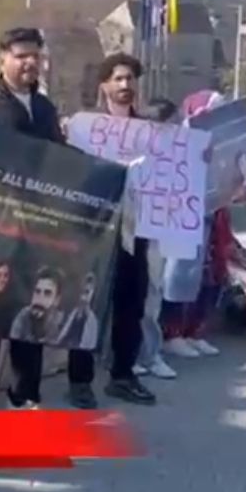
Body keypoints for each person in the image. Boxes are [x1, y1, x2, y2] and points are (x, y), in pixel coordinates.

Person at [0, 28, 96, 410]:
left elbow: (58, 158)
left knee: (32, 312)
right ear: (3, 60)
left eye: (35, 55)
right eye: (21, 56)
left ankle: (25, 395)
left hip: (37, 227)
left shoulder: (46, 108)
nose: (30, 62)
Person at [94, 53, 156, 405]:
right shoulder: (88, 126)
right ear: (104, 85)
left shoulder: (151, 132)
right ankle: (81, 378)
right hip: (98, 229)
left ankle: (123, 373)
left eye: (130, 79)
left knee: (132, 301)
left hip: (137, 228)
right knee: (90, 301)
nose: (125, 85)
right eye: (118, 78)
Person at [160, 90, 229, 360]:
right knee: (179, 274)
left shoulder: (219, 143)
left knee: (205, 273)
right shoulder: (181, 139)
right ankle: (172, 332)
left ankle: (192, 331)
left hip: (211, 213)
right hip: (186, 215)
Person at [133, 98, 178, 380]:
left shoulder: (179, 155)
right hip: (138, 228)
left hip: (161, 229)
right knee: (141, 296)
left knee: (153, 294)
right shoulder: (141, 153)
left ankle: (150, 353)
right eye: (174, 124)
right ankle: (136, 354)